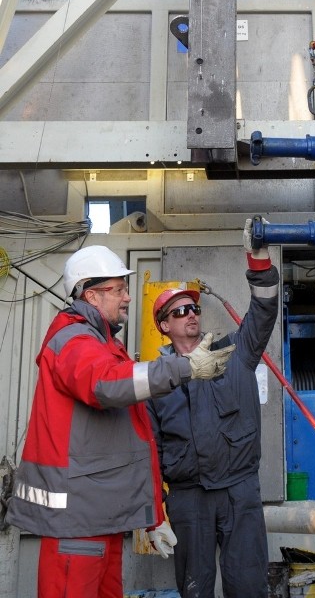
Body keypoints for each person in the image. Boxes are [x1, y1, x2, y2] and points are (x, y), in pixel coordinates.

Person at [6, 244, 234, 598]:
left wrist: (151, 516)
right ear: (92, 295)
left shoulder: (102, 343)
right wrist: (183, 366)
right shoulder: (74, 340)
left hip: (99, 519)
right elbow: (106, 384)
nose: (128, 297)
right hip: (78, 525)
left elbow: (130, 436)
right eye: (119, 289)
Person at [146, 216, 279, 598]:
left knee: (249, 587)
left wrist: (259, 262)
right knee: (195, 589)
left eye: (194, 309)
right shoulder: (156, 380)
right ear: (163, 326)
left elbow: (264, 312)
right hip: (189, 500)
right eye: (179, 311)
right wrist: (155, 513)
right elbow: (150, 451)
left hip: (240, 493)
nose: (191, 314)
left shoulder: (236, 354)